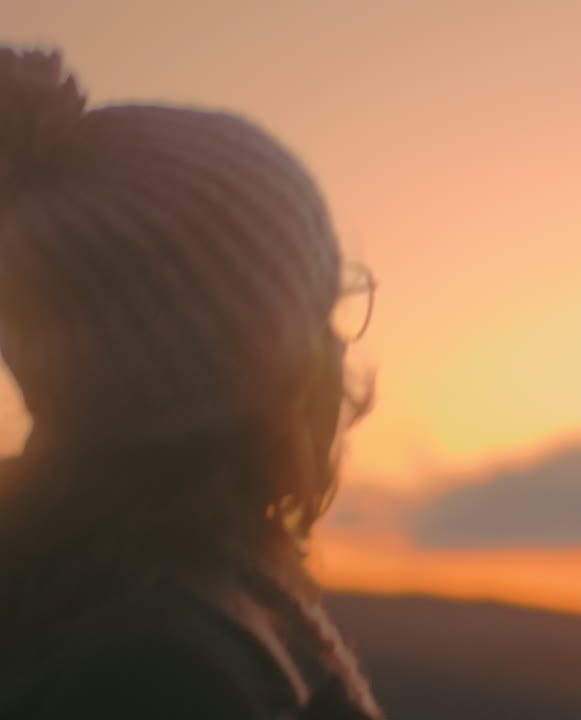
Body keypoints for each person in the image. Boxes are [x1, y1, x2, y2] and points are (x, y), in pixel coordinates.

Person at [0, 47, 384, 718]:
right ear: (267, 383)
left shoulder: (91, 604)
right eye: (322, 316)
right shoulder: (171, 677)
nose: (344, 356)